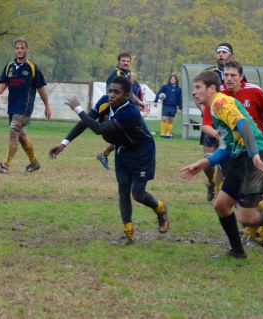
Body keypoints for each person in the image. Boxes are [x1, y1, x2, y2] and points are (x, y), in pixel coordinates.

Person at [180, 71, 263, 259]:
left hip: (251, 161)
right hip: (240, 159)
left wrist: (254, 155)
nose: (194, 92)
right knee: (221, 206)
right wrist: (202, 163)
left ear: (211, 88)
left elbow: (243, 125)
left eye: (197, 87)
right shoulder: (214, 109)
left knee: (246, 218)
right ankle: (237, 251)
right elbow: (226, 146)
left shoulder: (221, 103)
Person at [48, 76, 169, 245]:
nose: (111, 95)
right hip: (121, 150)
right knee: (123, 191)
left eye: (116, 92)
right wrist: (64, 143)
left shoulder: (130, 112)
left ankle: (161, 209)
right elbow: (86, 122)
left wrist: (78, 109)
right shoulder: (105, 102)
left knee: (138, 194)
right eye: (110, 91)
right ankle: (128, 234)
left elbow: (99, 129)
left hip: (142, 152)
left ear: (127, 95)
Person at [0, 38, 52, 174]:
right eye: (17, 48)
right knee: (20, 135)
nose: (20, 50)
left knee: (13, 132)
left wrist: (47, 106)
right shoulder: (9, 66)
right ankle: (34, 162)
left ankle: (5, 165)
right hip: (12, 106)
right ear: (14, 50)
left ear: (27, 50)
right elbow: (3, 83)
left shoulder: (32, 67)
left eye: (22, 48)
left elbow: (41, 89)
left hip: (24, 107)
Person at [199, 42, 242, 201]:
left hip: (228, 123)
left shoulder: (235, 73)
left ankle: (219, 193)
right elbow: (198, 92)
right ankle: (211, 183)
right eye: (219, 52)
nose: (221, 55)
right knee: (208, 162)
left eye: (224, 52)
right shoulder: (209, 73)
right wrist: (204, 108)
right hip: (211, 122)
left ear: (230, 55)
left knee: (224, 161)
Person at [96, 52, 145, 170]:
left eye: (128, 61)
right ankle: (125, 159)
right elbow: (111, 93)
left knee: (127, 134)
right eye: (123, 61)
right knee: (128, 134)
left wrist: (138, 102)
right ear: (119, 62)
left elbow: (129, 93)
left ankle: (105, 154)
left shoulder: (127, 74)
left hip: (128, 108)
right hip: (119, 109)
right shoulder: (116, 74)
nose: (126, 63)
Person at [155, 74, 182, 139]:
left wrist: (180, 107)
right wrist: (156, 100)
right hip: (166, 105)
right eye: (171, 79)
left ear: (176, 80)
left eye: (174, 79)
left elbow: (180, 98)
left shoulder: (178, 89)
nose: (173, 80)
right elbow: (159, 93)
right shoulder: (165, 87)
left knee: (170, 120)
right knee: (164, 119)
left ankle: (168, 134)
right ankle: (162, 134)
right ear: (170, 80)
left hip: (173, 106)